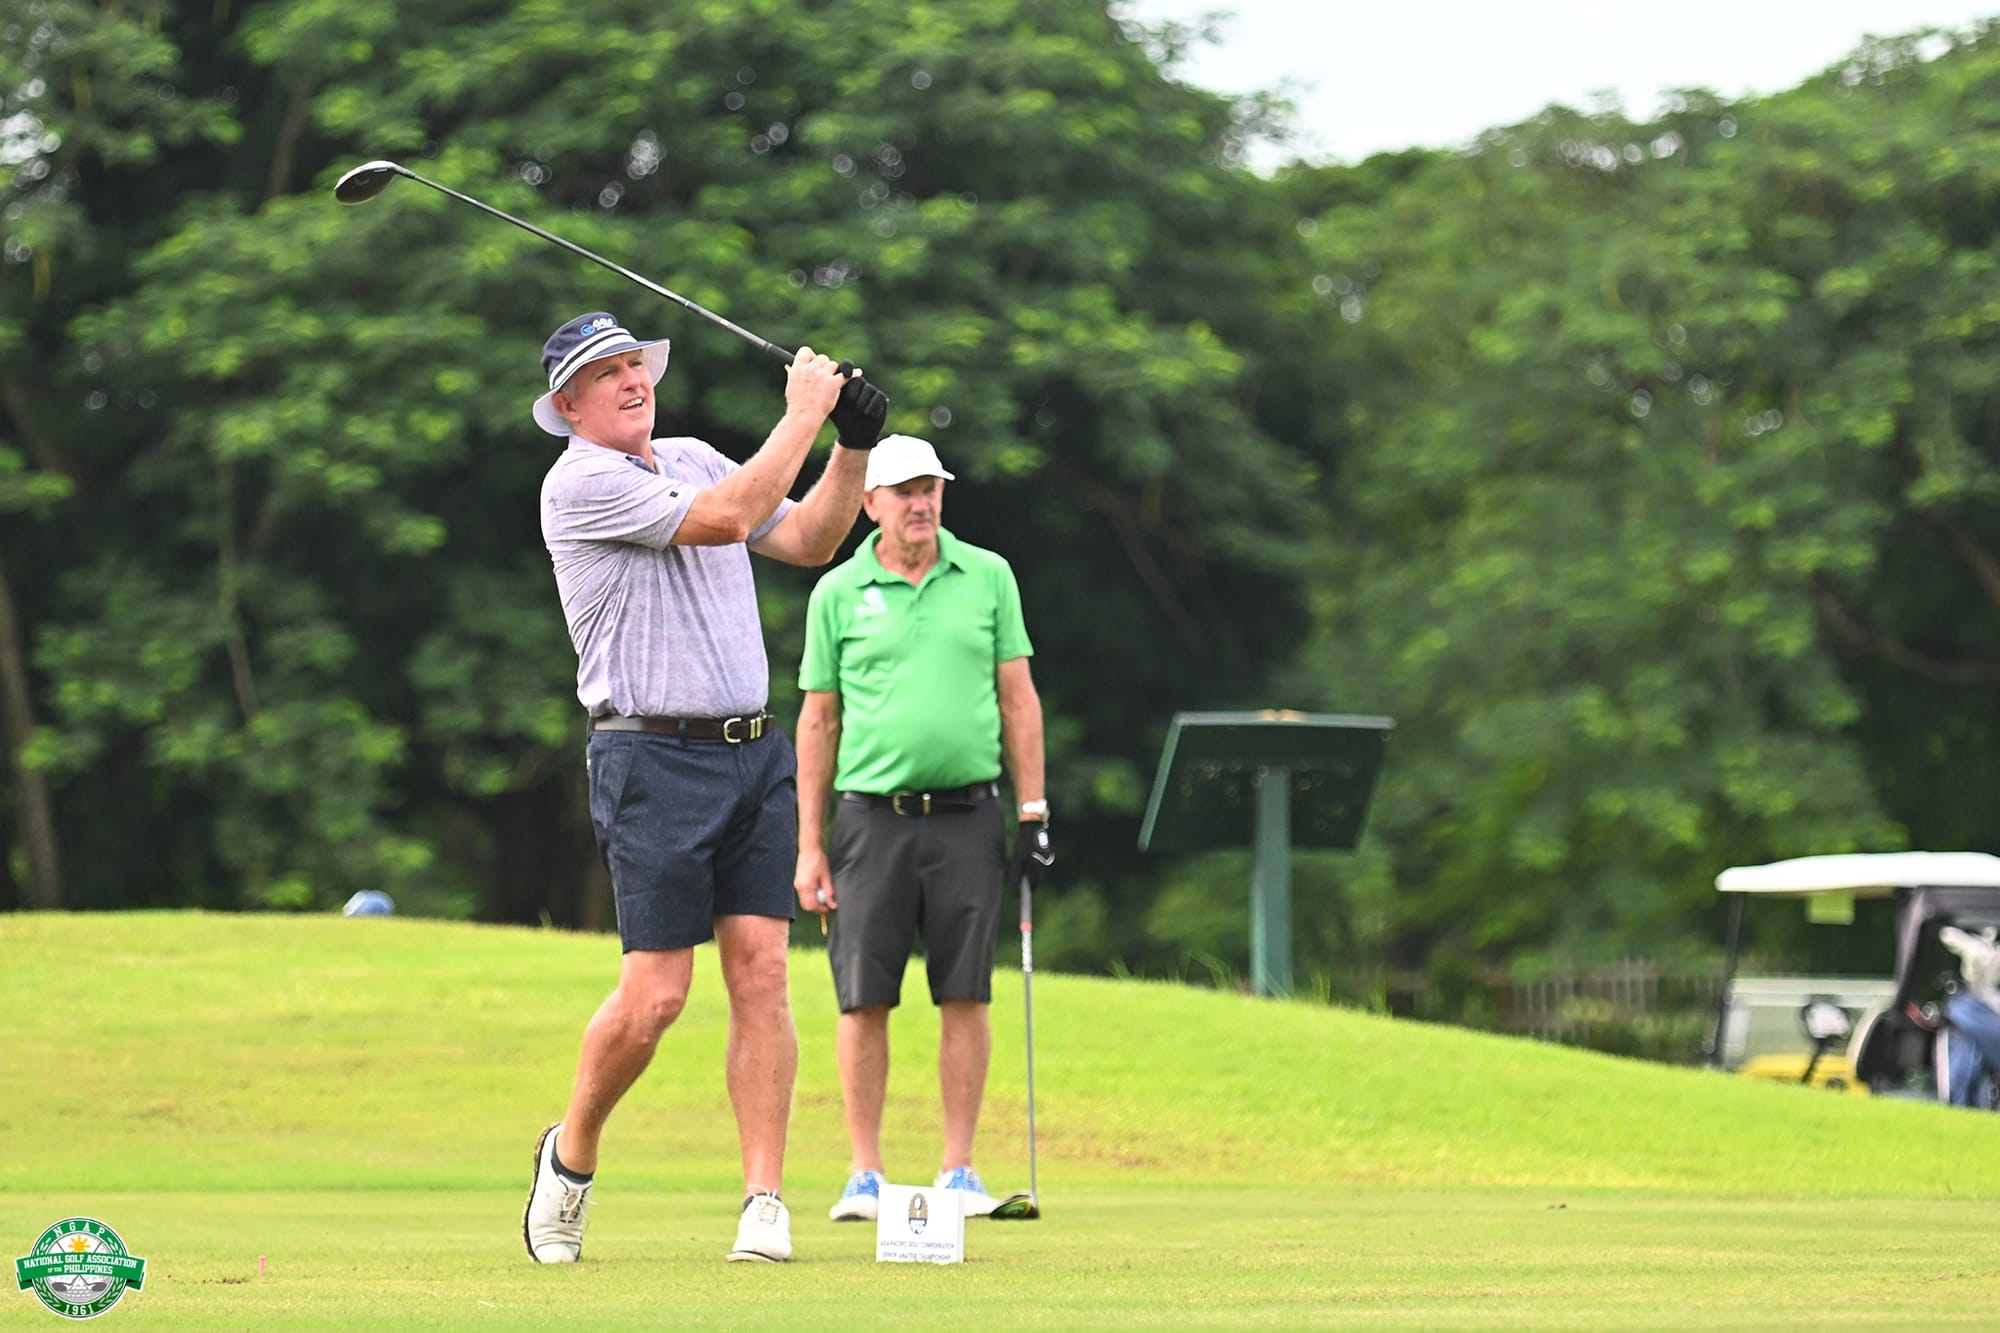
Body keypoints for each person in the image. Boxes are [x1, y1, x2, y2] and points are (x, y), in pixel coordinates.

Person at [520, 311, 888, 1266]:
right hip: (649, 758)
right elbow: (727, 517)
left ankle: (764, 1197)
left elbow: (807, 536)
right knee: (656, 998)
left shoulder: (688, 453)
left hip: (750, 753)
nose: (631, 380)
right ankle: (569, 1156)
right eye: (607, 373)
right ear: (570, 407)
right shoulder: (580, 485)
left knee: (762, 972)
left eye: (635, 364)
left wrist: (853, 445)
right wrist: (807, 411)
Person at [792, 434, 1054, 1223]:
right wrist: (808, 843)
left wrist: (1035, 811)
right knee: (863, 997)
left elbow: (1019, 700)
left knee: (965, 992)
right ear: (870, 502)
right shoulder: (838, 592)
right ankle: (865, 1173)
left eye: (931, 488)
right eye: (904, 490)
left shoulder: (989, 576)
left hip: (971, 815)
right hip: (870, 818)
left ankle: (959, 1169)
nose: (922, 503)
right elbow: (817, 720)